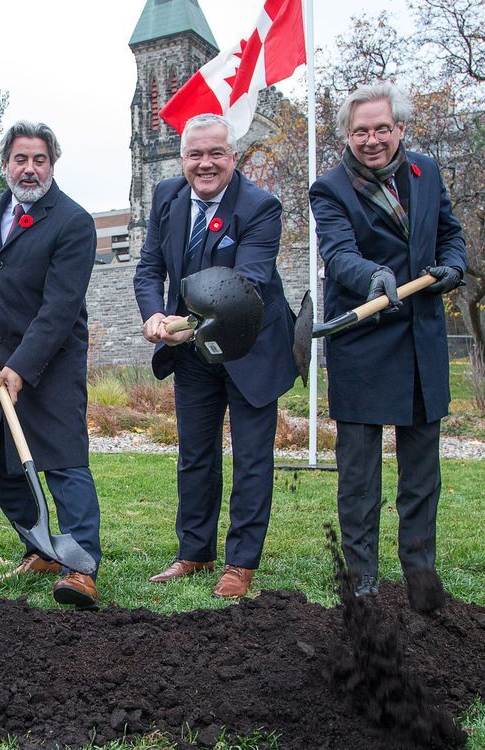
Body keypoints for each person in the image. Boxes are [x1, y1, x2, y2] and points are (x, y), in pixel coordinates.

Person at [309, 82, 466, 597]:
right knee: (359, 477)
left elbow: (448, 231)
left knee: (421, 472)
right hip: (364, 338)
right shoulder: (330, 187)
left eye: (381, 128)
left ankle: (420, 575)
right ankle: (362, 582)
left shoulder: (426, 170)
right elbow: (338, 252)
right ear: (347, 136)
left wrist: (455, 265)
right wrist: (373, 274)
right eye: (360, 131)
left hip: (421, 338)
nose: (371, 139)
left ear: (399, 128)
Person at [133, 113, 297, 599]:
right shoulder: (166, 197)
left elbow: (246, 286)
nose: (205, 164)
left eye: (215, 154)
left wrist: (182, 326)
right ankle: (194, 553)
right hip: (192, 354)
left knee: (250, 458)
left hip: (251, 346)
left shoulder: (261, 206)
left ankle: (240, 563)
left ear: (234, 157)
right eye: (195, 154)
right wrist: (154, 316)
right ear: (183, 158)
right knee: (195, 455)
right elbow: (148, 268)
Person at [0, 120, 102, 609]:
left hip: (49, 363)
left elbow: (60, 307)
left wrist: (21, 368)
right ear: (6, 164)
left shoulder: (73, 222)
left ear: (52, 165)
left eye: (40, 159)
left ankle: (81, 566)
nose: (30, 168)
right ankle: (39, 545)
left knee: (63, 464)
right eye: (22, 159)